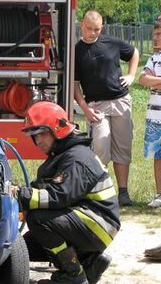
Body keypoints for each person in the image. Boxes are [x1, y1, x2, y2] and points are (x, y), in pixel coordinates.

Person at [15, 101, 120, 284]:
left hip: (98, 225)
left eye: (42, 134)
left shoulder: (76, 158)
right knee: (23, 249)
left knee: (39, 219)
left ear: (58, 129)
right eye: (34, 135)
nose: (38, 140)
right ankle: (90, 263)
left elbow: (59, 196)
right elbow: (42, 188)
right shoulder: (62, 155)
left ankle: (73, 275)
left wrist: (20, 195)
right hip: (88, 222)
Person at [74, 10, 139, 206]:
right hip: (96, 105)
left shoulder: (111, 42)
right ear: (82, 26)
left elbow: (134, 53)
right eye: (91, 29)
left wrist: (131, 75)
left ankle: (123, 192)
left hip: (120, 101)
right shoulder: (77, 51)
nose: (94, 33)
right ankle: (99, 190)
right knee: (101, 145)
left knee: (123, 147)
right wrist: (84, 108)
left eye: (98, 29)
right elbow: (75, 85)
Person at [138, 18, 161, 208]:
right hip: (155, 117)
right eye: (154, 34)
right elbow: (142, 79)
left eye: (158, 34)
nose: (154, 38)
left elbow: (150, 80)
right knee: (158, 156)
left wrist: (154, 80)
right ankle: (160, 194)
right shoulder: (154, 58)